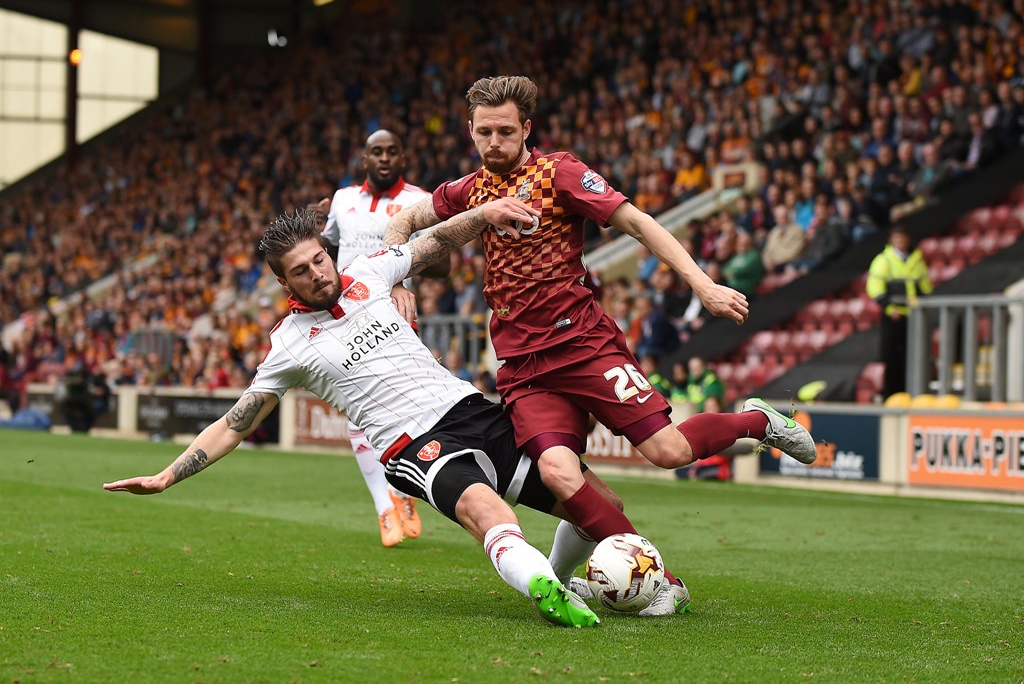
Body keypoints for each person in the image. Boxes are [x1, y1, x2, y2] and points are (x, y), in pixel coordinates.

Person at [385, 75, 817, 616]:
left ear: (526, 130)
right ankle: (662, 583)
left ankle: (758, 422)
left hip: (585, 345)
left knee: (669, 453)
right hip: (523, 367)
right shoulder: (470, 190)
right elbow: (401, 219)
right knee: (558, 475)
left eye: (504, 131)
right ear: (470, 131)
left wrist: (702, 284)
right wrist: (397, 278)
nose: (493, 143)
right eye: (484, 132)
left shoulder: (559, 173)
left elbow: (637, 222)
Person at [104, 205, 606, 628]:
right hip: (412, 443)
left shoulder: (369, 270)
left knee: (593, 504)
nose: (318, 273)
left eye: (319, 259)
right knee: (488, 512)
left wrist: (486, 212)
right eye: (301, 270)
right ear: (283, 281)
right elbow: (237, 422)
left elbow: (433, 242)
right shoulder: (288, 345)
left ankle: (559, 576)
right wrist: (169, 475)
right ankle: (545, 592)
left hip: (470, 410)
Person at [317, 129, 436, 547]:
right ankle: (385, 507)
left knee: (402, 409)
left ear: (402, 157)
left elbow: (440, 263)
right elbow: (326, 248)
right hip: (344, 316)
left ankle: (403, 493)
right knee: (356, 414)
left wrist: (403, 275)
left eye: (392, 151)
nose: (384, 158)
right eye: (376, 152)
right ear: (364, 158)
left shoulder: (419, 199)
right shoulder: (342, 199)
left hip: (393, 313)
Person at [866, 226, 933, 398]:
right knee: (891, 356)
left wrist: (923, 303)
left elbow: (925, 286)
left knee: (911, 355)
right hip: (893, 316)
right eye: (897, 239)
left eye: (903, 239)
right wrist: (889, 308)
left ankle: (910, 392)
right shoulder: (884, 260)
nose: (901, 243)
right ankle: (890, 394)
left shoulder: (917, 260)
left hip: (913, 316)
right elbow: (875, 287)